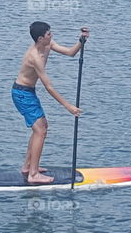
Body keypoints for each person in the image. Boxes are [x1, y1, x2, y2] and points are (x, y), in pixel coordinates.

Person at [12, 22, 88, 184]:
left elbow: (70, 53)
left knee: (41, 128)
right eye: (48, 34)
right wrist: (68, 106)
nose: (51, 35)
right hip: (22, 94)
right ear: (40, 39)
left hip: (28, 93)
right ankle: (33, 174)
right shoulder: (34, 57)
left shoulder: (48, 45)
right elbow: (49, 86)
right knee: (41, 130)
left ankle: (27, 167)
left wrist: (81, 41)